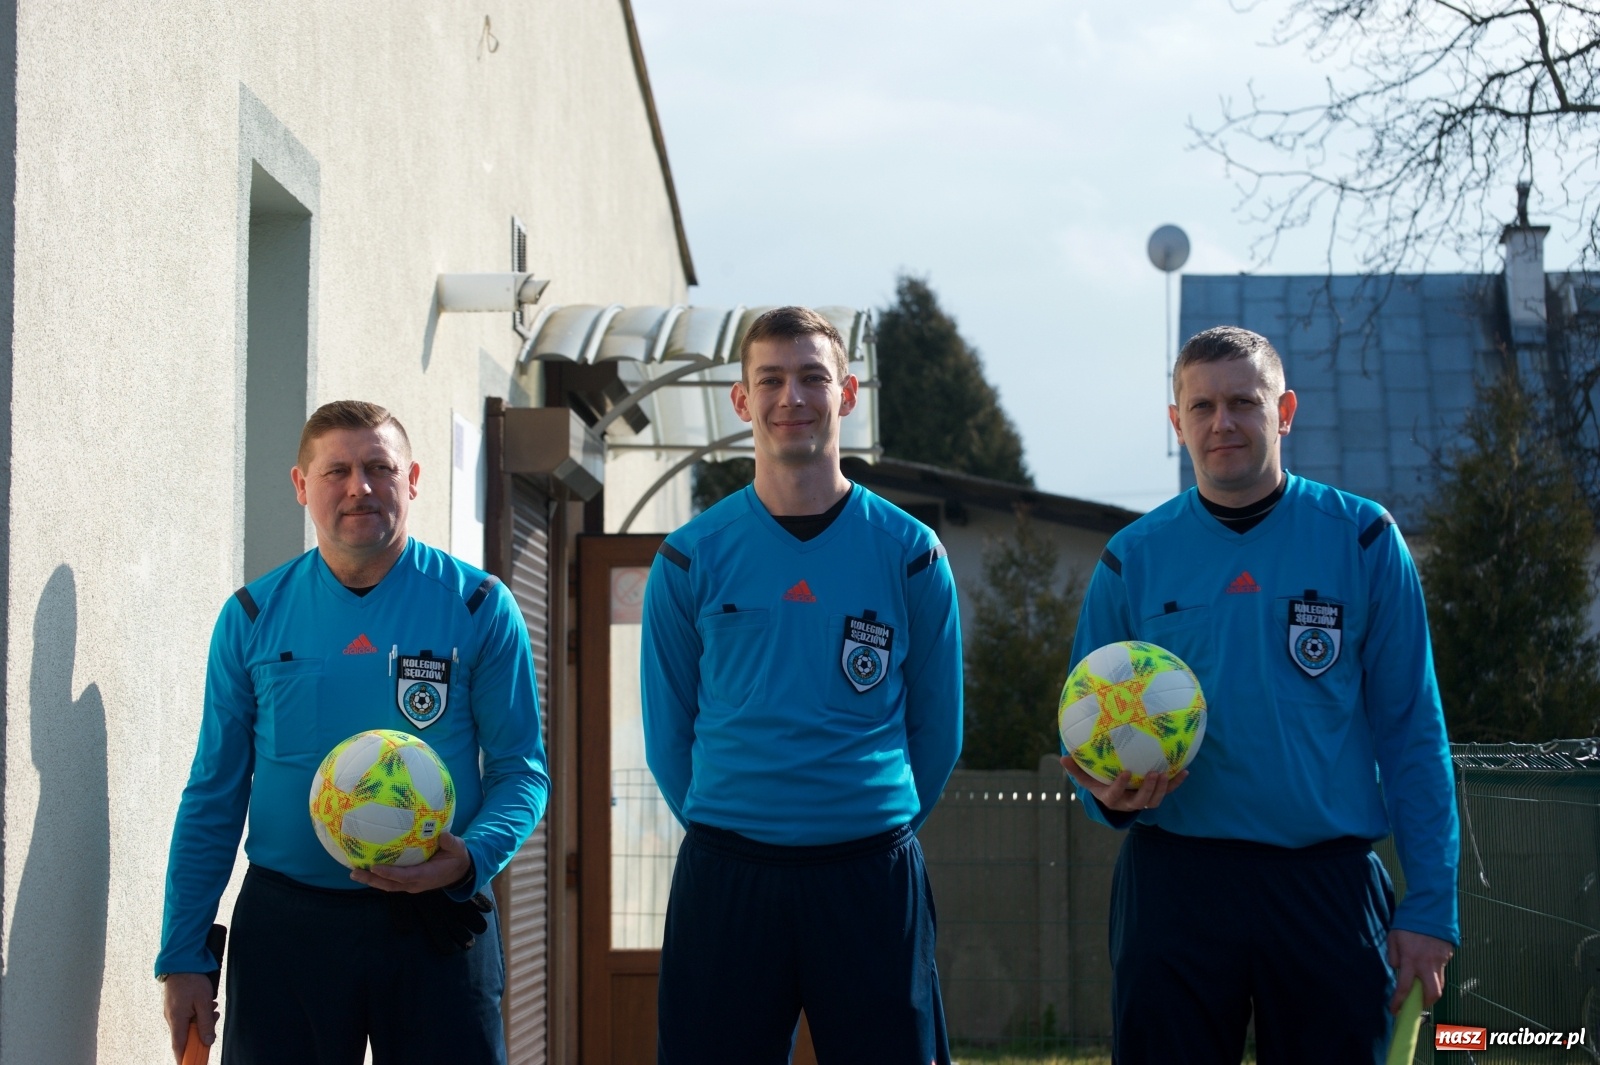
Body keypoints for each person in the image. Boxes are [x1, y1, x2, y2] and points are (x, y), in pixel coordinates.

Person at [1062, 326, 1459, 1065]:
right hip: (1175, 887)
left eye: (1244, 401)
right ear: (1176, 421)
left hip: (1326, 886)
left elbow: (1413, 734)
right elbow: (1085, 730)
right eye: (1202, 405)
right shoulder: (1131, 560)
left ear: (1285, 411)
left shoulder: (1365, 540)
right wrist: (1107, 799)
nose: (1223, 422)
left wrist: (1431, 905)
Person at [155, 400, 548, 1065]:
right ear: (301, 485)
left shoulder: (478, 605)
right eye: (336, 470)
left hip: (436, 921)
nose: (359, 487)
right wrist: (184, 953)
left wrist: (472, 857)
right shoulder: (252, 615)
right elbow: (213, 793)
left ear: (412, 479)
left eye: (379, 468)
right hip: (288, 929)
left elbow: (521, 771)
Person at [640, 306, 963, 1064]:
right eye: (771, 379)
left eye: (813, 377)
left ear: (846, 394)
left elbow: (938, 731)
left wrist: (863, 821)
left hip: (870, 875)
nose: (792, 397)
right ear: (741, 400)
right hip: (728, 878)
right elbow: (668, 736)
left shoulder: (912, 554)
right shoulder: (688, 558)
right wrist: (742, 824)